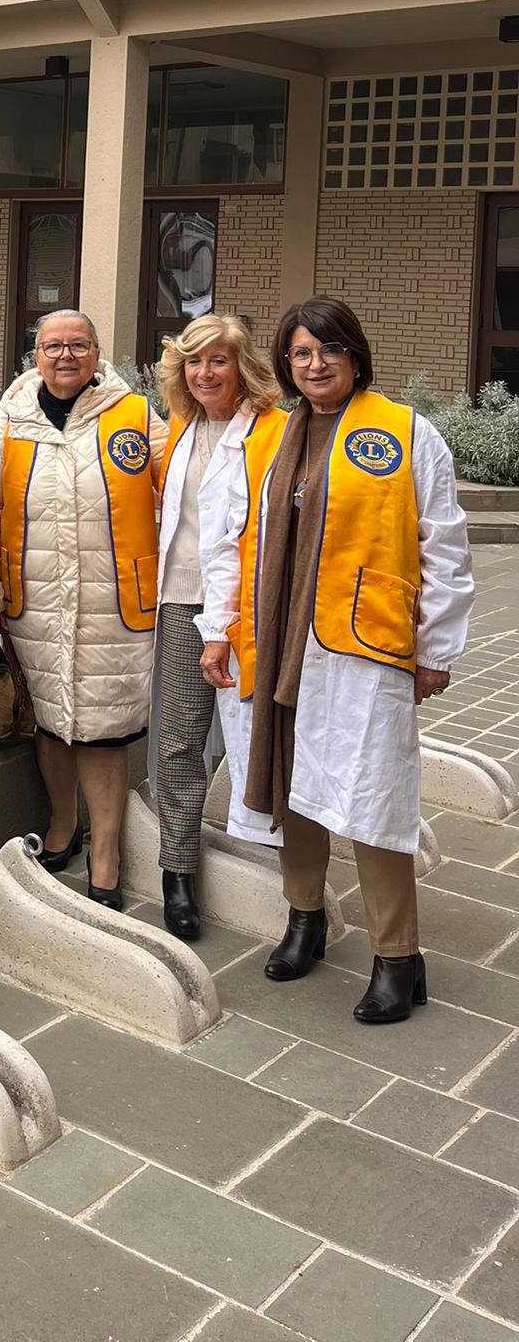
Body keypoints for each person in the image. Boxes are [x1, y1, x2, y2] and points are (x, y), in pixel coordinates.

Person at [199, 297, 473, 1024]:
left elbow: (445, 545)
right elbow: (230, 538)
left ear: (355, 356)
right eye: (300, 353)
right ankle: (305, 919)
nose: (315, 364)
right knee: (291, 785)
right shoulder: (271, 436)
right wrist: (219, 628)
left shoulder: (406, 432)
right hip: (279, 642)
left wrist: (435, 648)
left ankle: (398, 957)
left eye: (329, 350)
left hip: (364, 648)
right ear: (285, 365)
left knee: (374, 796)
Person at [0, 309, 166, 908]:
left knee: (105, 731)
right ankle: (63, 824)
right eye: (53, 345)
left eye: (78, 345)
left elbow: (185, 491)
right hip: (32, 600)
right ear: (35, 355)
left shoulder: (135, 415)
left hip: (115, 603)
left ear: (97, 353)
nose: (65, 356)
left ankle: (106, 853)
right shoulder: (12, 418)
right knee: (50, 721)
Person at [150, 314, 285, 940]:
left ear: (244, 367)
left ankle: (287, 876)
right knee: (179, 740)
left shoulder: (275, 431)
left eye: (218, 360)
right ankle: (177, 872)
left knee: (265, 736)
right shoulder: (181, 426)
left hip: (254, 610)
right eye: (193, 361)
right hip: (183, 602)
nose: (204, 373)